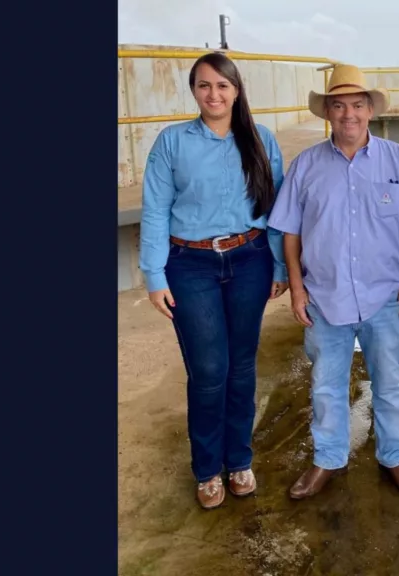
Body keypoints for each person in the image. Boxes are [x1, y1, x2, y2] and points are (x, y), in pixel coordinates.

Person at [267, 64, 399, 499]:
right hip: (325, 297)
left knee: (391, 380)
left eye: (357, 105)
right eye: (338, 106)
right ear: (328, 113)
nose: (348, 115)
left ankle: (394, 456)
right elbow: (291, 233)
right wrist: (297, 289)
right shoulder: (305, 165)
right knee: (325, 384)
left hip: (385, 297)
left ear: (370, 111)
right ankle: (327, 459)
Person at [139, 52, 290, 510]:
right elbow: (154, 210)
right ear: (193, 91)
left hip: (250, 259)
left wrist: (280, 266)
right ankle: (207, 469)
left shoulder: (261, 139)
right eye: (204, 86)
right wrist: (154, 274)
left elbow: (277, 209)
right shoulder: (172, 142)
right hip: (191, 264)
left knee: (242, 366)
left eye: (223, 86)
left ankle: (239, 460)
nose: (214, 94)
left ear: (237, 90)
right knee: (208, 371)